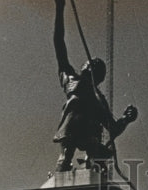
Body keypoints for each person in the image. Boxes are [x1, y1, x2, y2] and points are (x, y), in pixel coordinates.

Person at [53, 0, 137, 172]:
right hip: (71, 127)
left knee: (96, 162)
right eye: (90, 63)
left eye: (96, 68)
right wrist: (59, 8)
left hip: (90, 134)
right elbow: (59, 43)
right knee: (64, 159)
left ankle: (93, 167)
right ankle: (64, 172)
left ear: (99, 78)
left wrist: (126, 119)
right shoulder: (71, 79)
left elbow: (112, 128)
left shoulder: (99, 99)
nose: (91, 65)